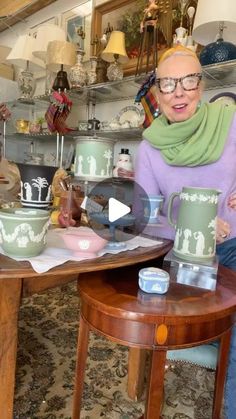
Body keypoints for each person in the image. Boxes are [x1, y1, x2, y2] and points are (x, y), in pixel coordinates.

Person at [134, 44, 236, 418]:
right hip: (180, 252)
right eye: (167, 84)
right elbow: (145, 216)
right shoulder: (149, 148)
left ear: (202, 85)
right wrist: (194, 223)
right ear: (157, 93)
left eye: (188, 80)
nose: (178, 92)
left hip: (233, 246)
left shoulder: (231, 125)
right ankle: (206, 344)